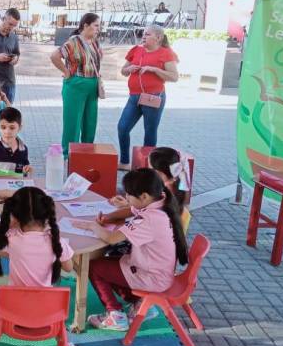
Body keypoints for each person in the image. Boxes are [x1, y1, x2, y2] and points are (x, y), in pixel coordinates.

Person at [0, 187, 98, 346]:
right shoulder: (57, 242)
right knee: (54, 289)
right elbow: (69, 267)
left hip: (13, 315)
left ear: (14, 217)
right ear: (47, 214)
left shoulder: (11, 238)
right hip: (47, 316)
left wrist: (11, 218)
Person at [74, 168, 188, 331]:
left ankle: (115, 315)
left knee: (95, 267)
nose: (126, 198)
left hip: (152, 278)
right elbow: (131, 209)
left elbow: (110, 238)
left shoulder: (148, 219)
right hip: (158, 272)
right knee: (111, 263)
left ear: (144, 197)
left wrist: (93, 226)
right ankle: (138, 302)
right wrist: (109, 218)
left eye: (129, 195)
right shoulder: (161, 202)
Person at [117, 25, 179, 170]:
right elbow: (123, 71)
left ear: (158, 38)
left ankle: (149, 166)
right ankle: (125, 161)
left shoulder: (166, 53)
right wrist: (129, 69)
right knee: (123, 127)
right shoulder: (136, 50)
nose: (143, 36)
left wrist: (155, 69)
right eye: (143, 34)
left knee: (150, 131)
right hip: (134, 97)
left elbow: (174, 77)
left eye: (147, 34)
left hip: (153, 98)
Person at [50, 12, 104, 158]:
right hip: (75, 84)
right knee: (72, 122)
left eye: (99, 26)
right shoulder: (73, 41)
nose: (98, 29)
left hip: (92, 85)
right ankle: (68, 154)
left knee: (90, 121)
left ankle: (86, 152)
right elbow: (54, 56)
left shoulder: (95, 41)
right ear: (85, 25)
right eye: (96, 25)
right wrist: (66, 71)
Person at [108, 147, 192, 231]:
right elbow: (139, 210)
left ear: (169, 175)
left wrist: (128, 204)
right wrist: (127, 204)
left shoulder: (163, 198)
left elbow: (142, 216)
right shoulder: (167, 190)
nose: (148, 173)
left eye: (152, 170)